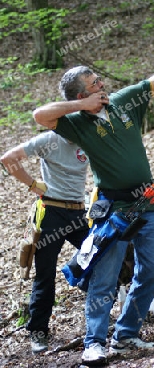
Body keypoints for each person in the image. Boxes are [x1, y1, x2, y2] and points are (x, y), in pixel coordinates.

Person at [33, 29, 154, 365]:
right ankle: (94, 343)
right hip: (113, 211)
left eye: (99, 81)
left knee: (149, 272)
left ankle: (126, 334)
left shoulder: (123, 102)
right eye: (94, 84)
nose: (101, 85)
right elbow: (40, 115)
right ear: (81, 95)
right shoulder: (76, 123)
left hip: (147, 203)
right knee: (104, 279)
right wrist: (82, 105)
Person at [0, 131, 89, 354]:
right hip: (51, 213)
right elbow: (8, 159)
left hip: (79, 213)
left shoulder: (88, 136)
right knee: (45, 276)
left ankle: (75, 273)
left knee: (101, 256)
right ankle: (38, 331)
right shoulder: (49, 139)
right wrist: (32, 184)